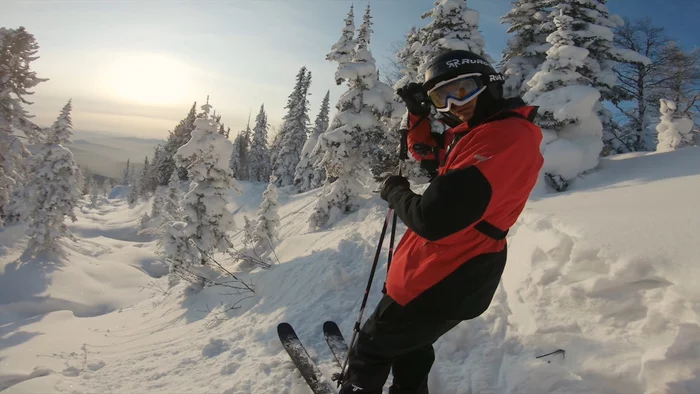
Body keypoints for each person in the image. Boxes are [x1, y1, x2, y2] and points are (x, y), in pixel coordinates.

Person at [338, 49, 544, 394]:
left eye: (462, 90)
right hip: (448, 269)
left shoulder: (506, 137)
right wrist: (418, 114)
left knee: (372, 348)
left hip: (447, 273)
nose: (453, 104)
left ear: (489, 85)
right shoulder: (478, 132)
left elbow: (432, 219)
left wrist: (395, 192)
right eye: (440, 97)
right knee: (411, 344)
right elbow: (426, 153)